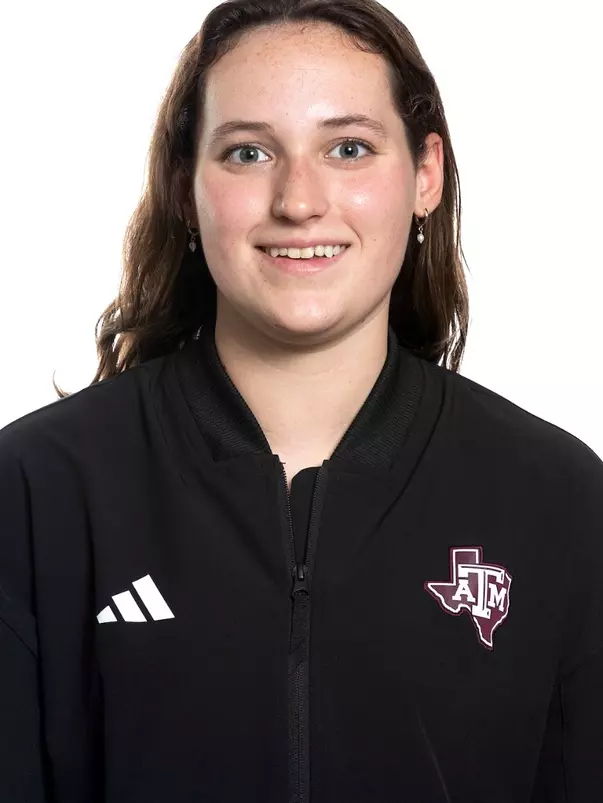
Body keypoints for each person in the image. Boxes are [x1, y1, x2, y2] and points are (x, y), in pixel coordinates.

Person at [1, 0, 601, 800]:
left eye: (348, 148)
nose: (298, 200)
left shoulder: (556, 497)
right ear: (184, 187)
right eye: (247, 152)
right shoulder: (37, 488)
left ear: (425, 174)